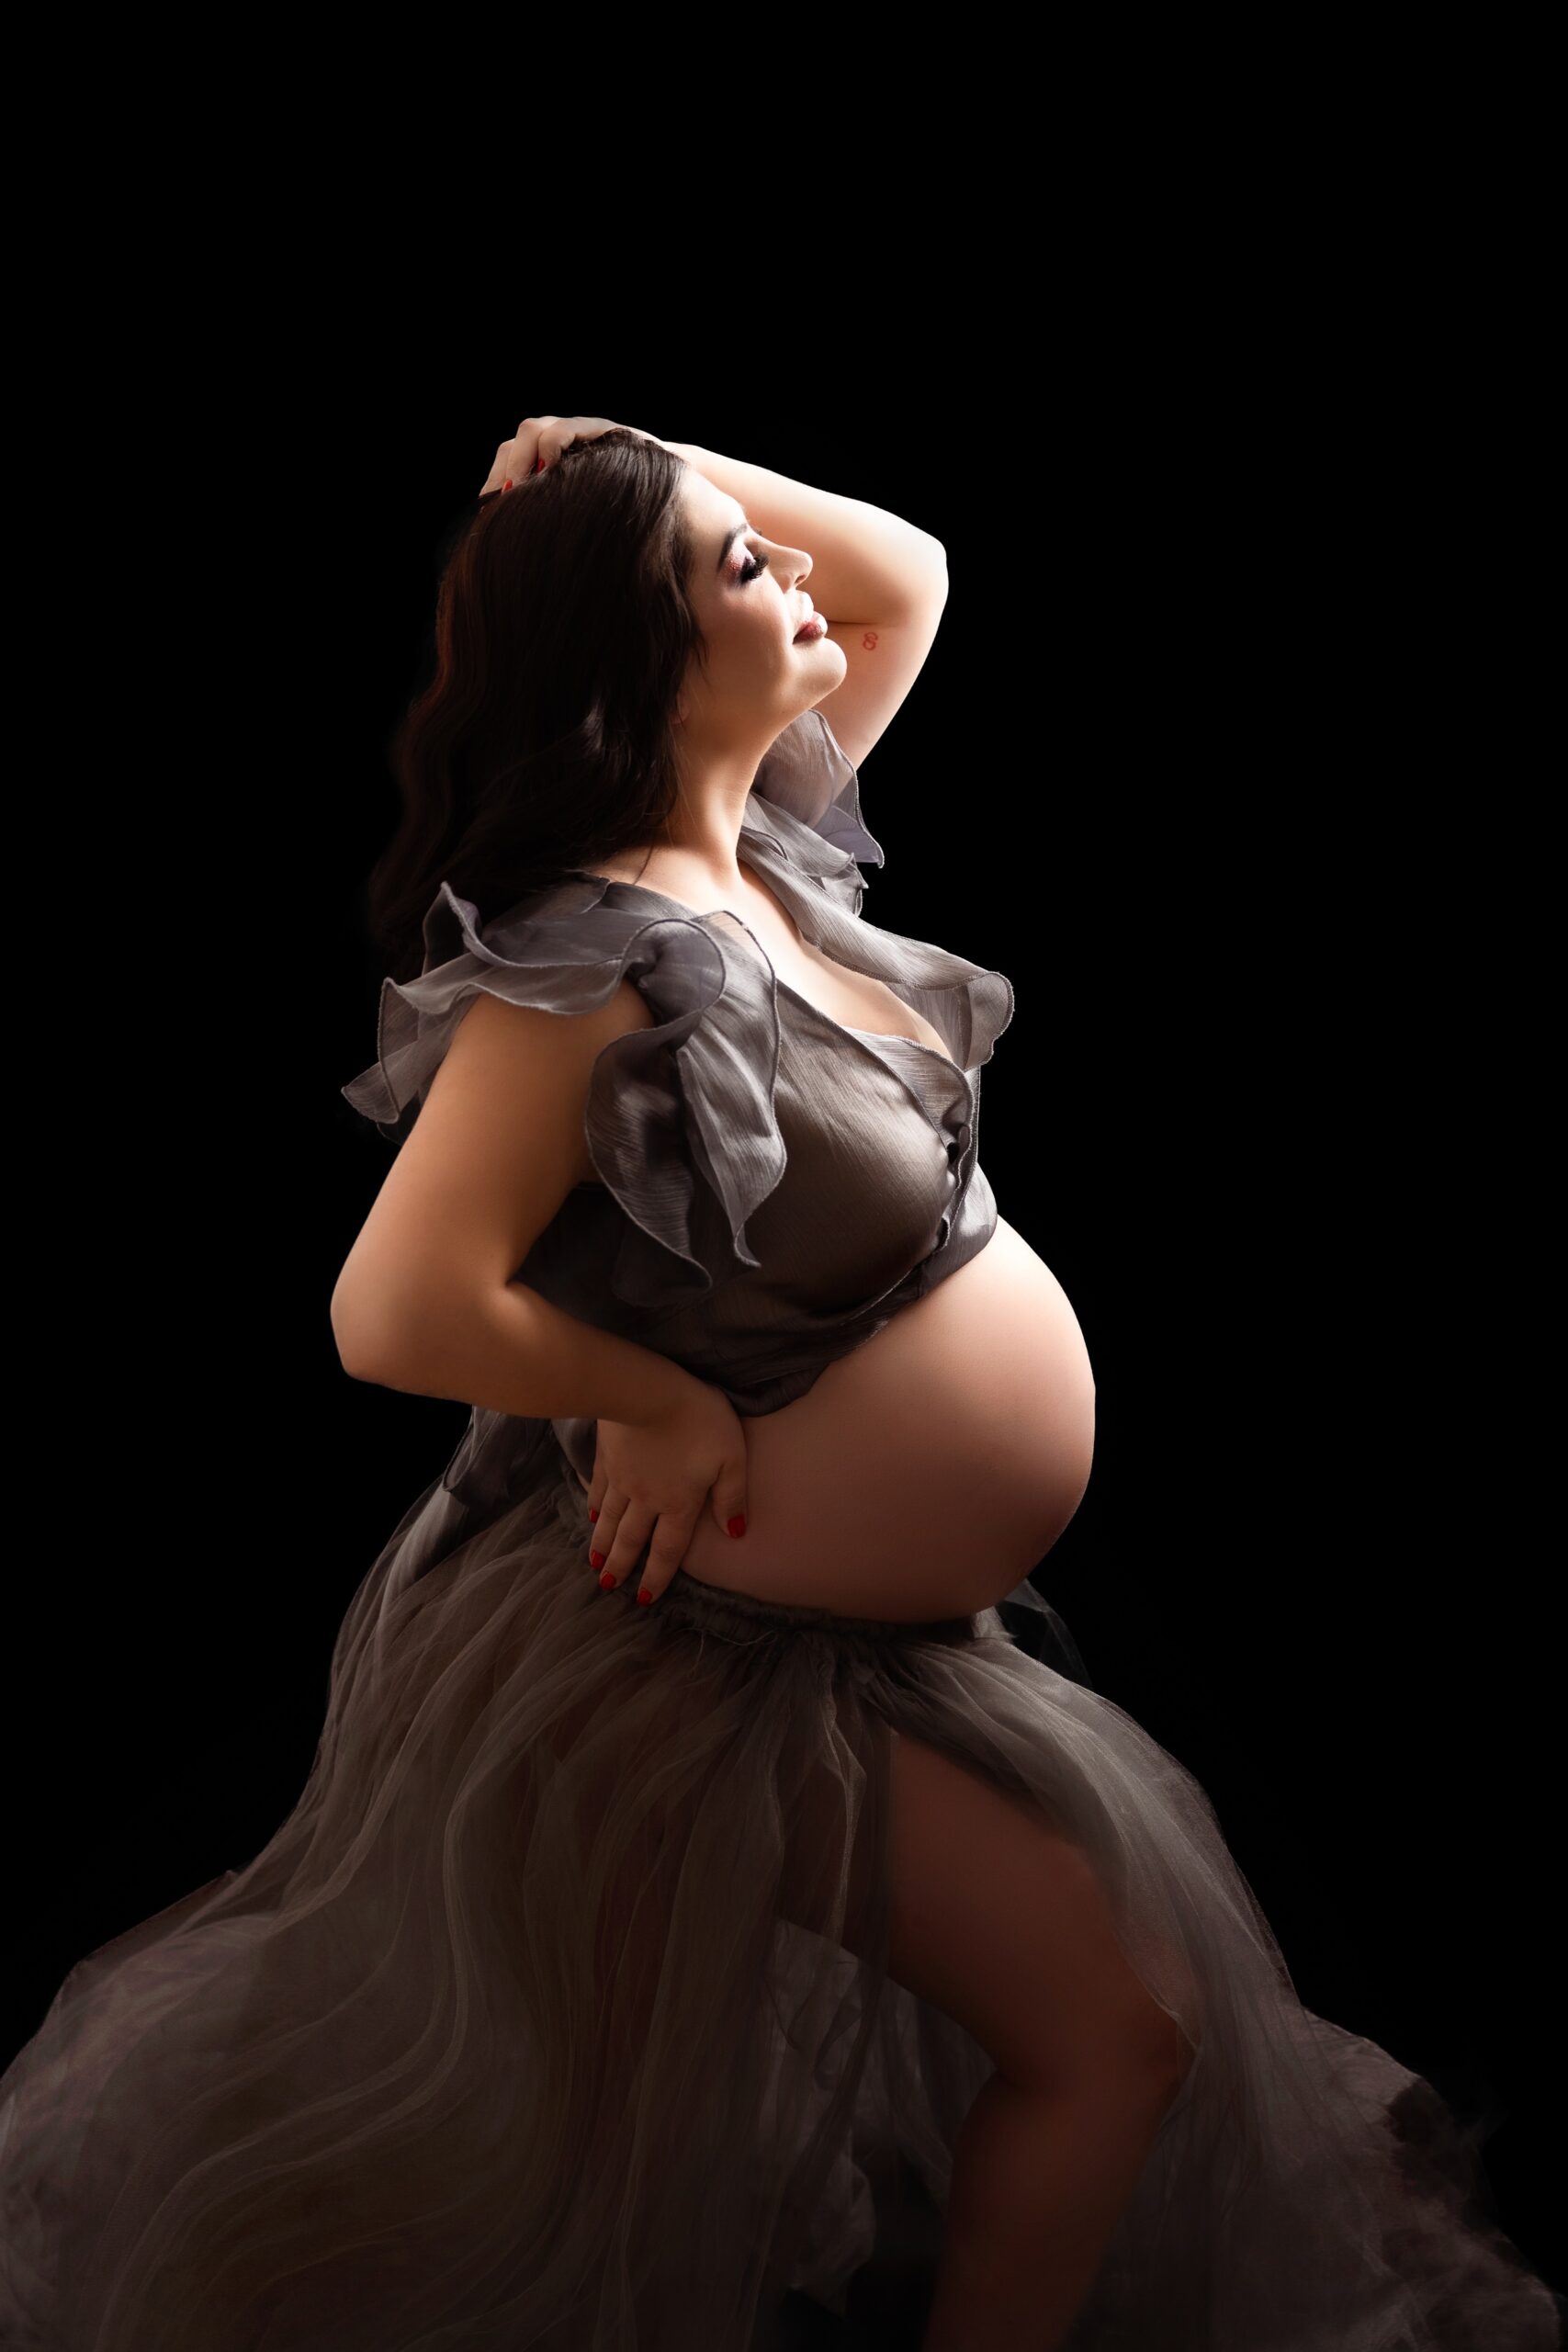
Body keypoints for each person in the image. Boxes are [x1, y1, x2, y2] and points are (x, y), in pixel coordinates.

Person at [0, 419, 1558, 2352]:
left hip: (848, 1660)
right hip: (697, 1672)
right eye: (740, 572)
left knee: (1058, 2053)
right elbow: (392, 1305)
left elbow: (900, 569)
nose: (797, 581)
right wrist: (641, 1401)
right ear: (631, 664)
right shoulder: (593, 963)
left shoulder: (765, 856)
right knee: (967, 2082)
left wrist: (624, 446)